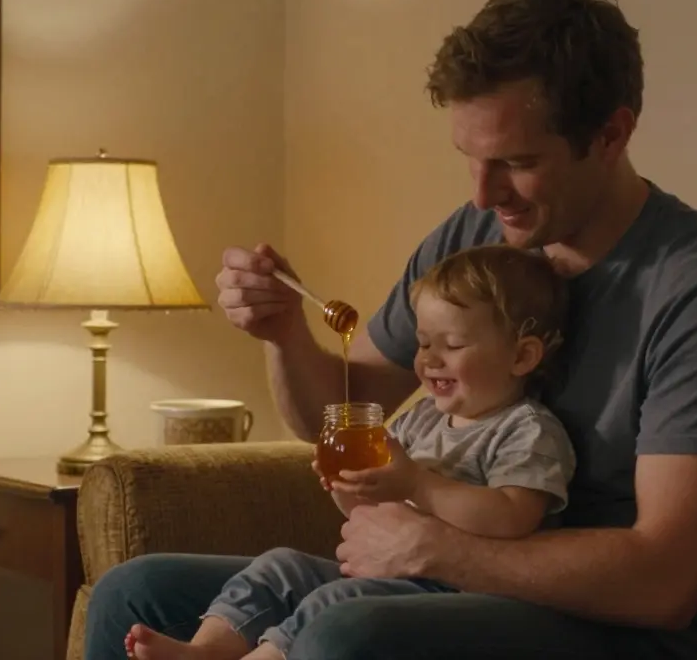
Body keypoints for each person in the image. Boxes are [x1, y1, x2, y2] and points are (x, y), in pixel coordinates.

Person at [84, 0, 697, 660]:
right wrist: (284, 335)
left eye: (516, 162)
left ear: (611, 135)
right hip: (443, 584)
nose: (484, 196)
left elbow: (665, 580)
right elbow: (341, 413)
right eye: (471, 160)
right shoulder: (471, 239)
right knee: (135, 593)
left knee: (344, 636)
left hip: (617, 627)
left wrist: (437, 546)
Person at [123, 245, 578, 660]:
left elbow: (512, 517)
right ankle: (204, 650)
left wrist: (419, 483)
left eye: (453, 345)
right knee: (279, 567)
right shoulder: (420, 419)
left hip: (463, 594)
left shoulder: (527, 430)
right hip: (391, 573)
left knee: (333, 604)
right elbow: (377, 509)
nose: (430, 360)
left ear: (521, 357)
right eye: (423, 343)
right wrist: (350, 487)